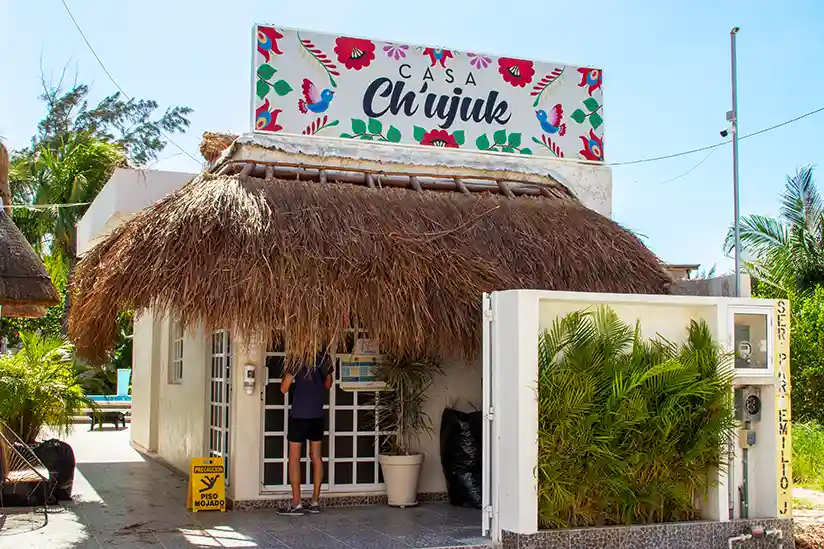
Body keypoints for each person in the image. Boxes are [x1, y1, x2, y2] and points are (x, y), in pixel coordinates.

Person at [278, 346, 334, 516]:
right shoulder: (324, 356)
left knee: (294, 457)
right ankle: (315, 501)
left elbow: (284, 388)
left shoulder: (297, 357)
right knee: (316, 456)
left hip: (299, 415)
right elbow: (329, 383)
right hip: (317, 413)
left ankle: (297, 503)